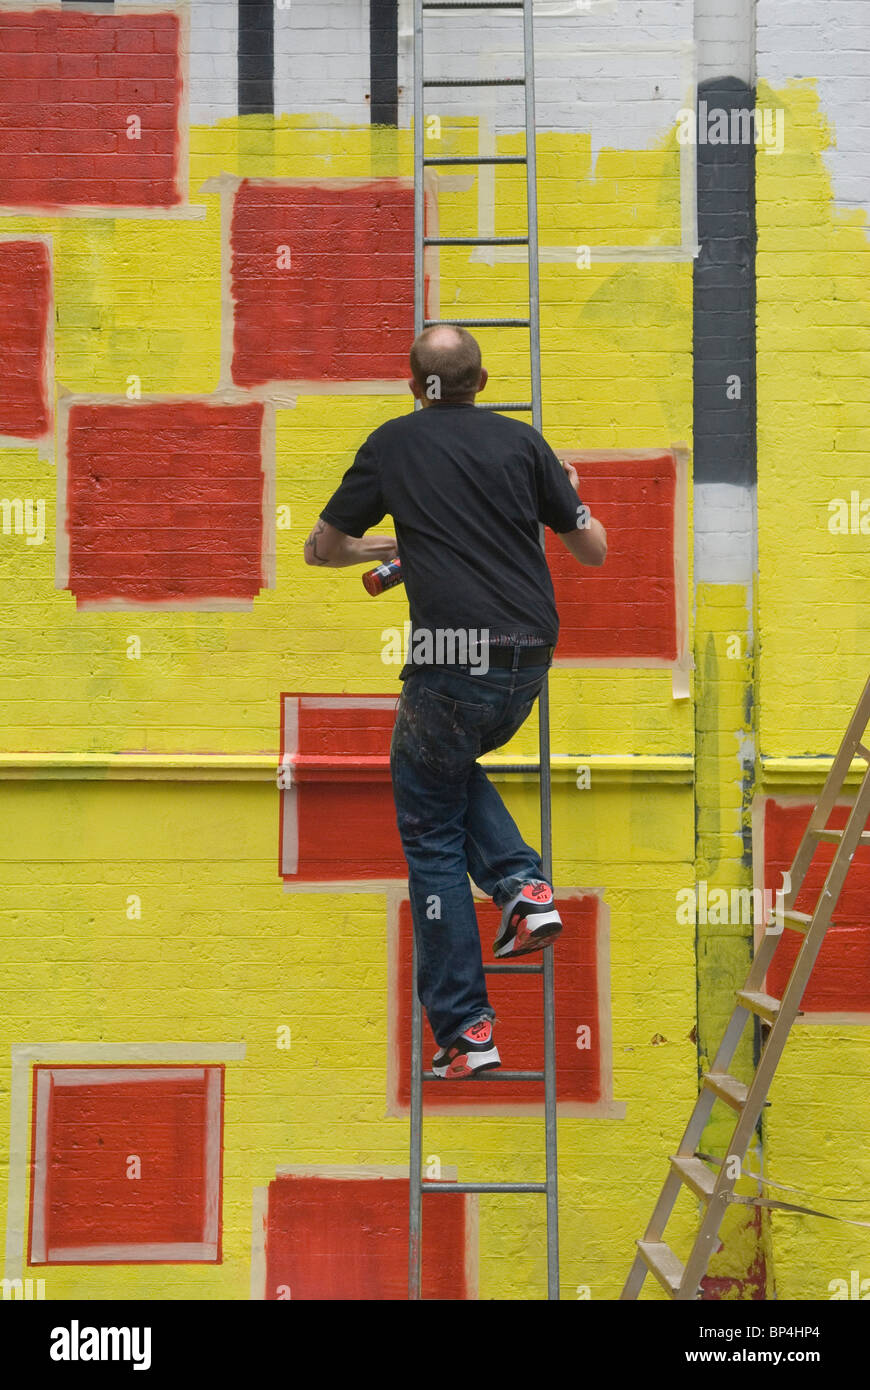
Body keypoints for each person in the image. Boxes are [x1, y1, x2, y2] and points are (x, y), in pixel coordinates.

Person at [305, 325, 606, 1078]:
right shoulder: (523, 444)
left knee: (430, 831)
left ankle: (468, 1028)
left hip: (450, 664)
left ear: (413, 383)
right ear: (482, 379)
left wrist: (389, 542)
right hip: (527, 663)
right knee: (442, 774)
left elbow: (322, 549)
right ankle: (524, 890)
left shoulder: (392, 444)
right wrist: (571, 494)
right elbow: (593, 550)